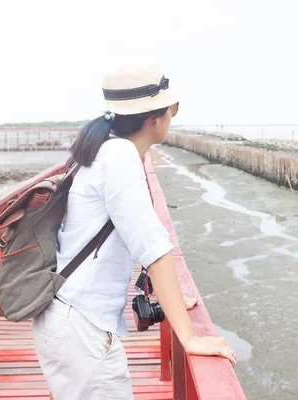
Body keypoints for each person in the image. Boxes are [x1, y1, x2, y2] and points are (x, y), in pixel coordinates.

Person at [32, 64, 236, 400]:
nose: (173, 116)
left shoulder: (103, 148)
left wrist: (173, 300)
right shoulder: (120, 157)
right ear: (154, 118)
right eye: (172, 109)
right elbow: (153, 247)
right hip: (82, 330)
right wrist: (190, 337)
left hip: (64, 317)